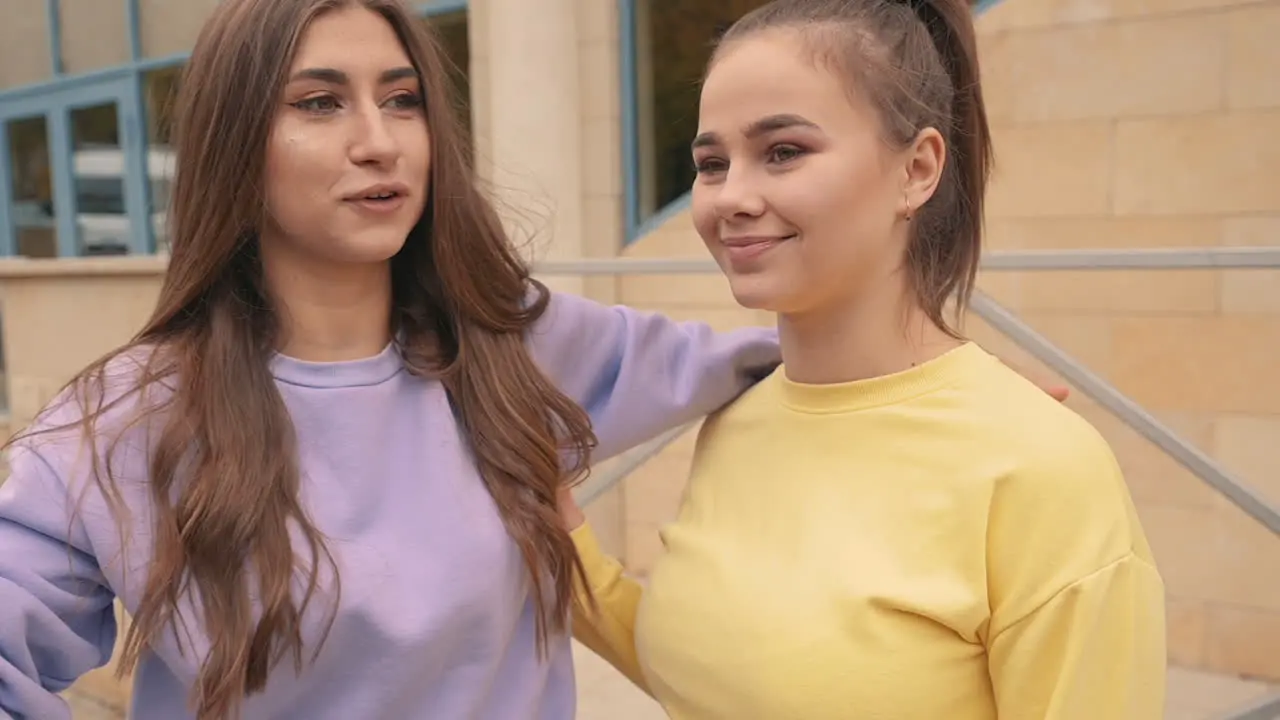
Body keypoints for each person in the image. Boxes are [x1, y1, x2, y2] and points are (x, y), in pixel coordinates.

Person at [0, 2, 783, 719]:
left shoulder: (513, 345)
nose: (380, 142)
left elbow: (791, 364)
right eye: (319, 102)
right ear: (232, 139)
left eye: (403, 100)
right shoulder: (132, 414)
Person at [561, 1, 1167, 718]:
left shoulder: (1043, 471)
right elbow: (714, 677)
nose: (732, 197)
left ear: (917, 169)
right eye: (711, 163)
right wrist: (545, 518)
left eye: (783, 151)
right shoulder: (738, 418)